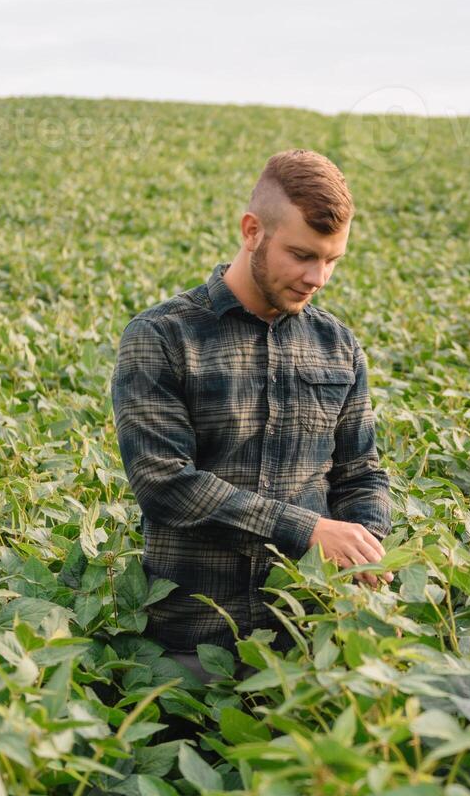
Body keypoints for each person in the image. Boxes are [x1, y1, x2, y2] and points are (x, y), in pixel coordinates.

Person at [111, 148, 394, 691]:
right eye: (301, 254)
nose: (319, 277)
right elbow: (165, 485)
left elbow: (361, 472)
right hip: (190, 642)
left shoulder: (337, 347)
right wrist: (307, 531)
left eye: (333, 259)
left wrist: (363, 544)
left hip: (307, 639)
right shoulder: (162, 337)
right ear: (251, 231)